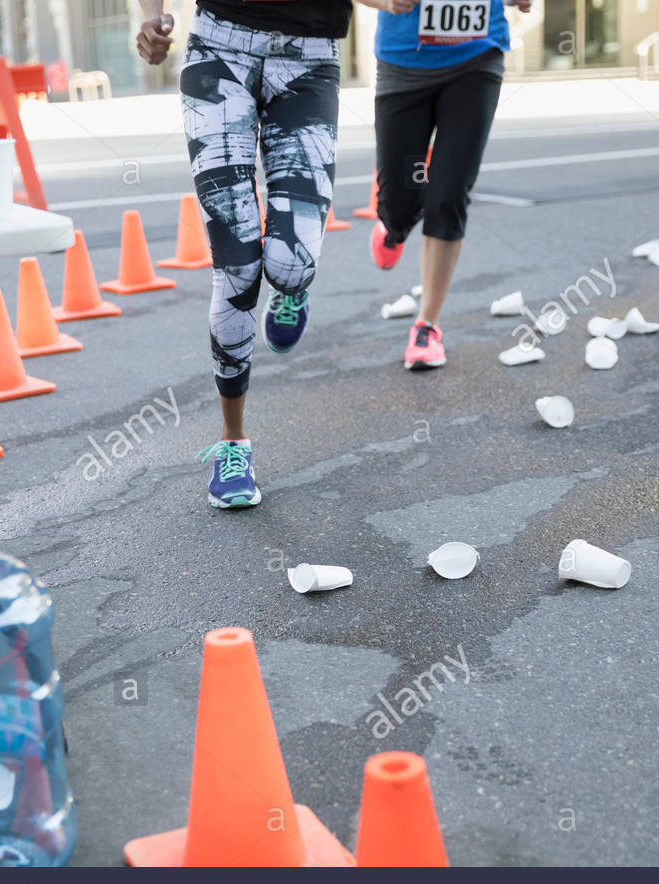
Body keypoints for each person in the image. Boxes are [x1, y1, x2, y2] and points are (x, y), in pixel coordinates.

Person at [136, 0, 352, 509]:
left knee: (290, 264)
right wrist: (151, 15)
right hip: (218, 47)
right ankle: (234, 446)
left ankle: (292, 291)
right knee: (236, 268)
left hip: (311, 60)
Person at [360, 0, 531, 370]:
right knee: (401, 202)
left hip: (476, 59)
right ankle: (394, 224)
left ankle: (427, 326)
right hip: (403, 64)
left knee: (448, 194)